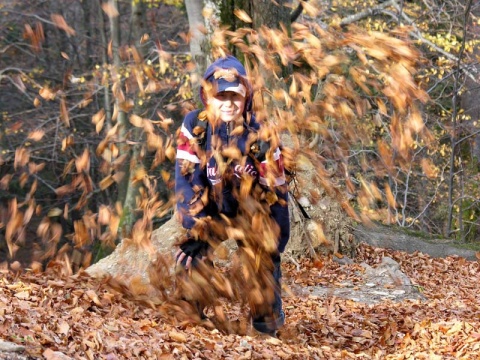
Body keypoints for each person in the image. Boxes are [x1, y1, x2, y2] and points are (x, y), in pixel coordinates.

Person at [174, 55, 290, 336]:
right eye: (219, 95)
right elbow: (187, 182)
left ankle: (267, 327)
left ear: (246, 96)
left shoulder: (262, 133)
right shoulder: (195, 126)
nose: (227, 103)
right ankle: (193, 324)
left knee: (262, 262)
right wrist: (196, 228)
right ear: (207, 96)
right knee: (191, 257)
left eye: (234, 96)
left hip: (253, 212)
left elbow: (278, 193)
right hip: (212, 210)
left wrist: (275, 240)